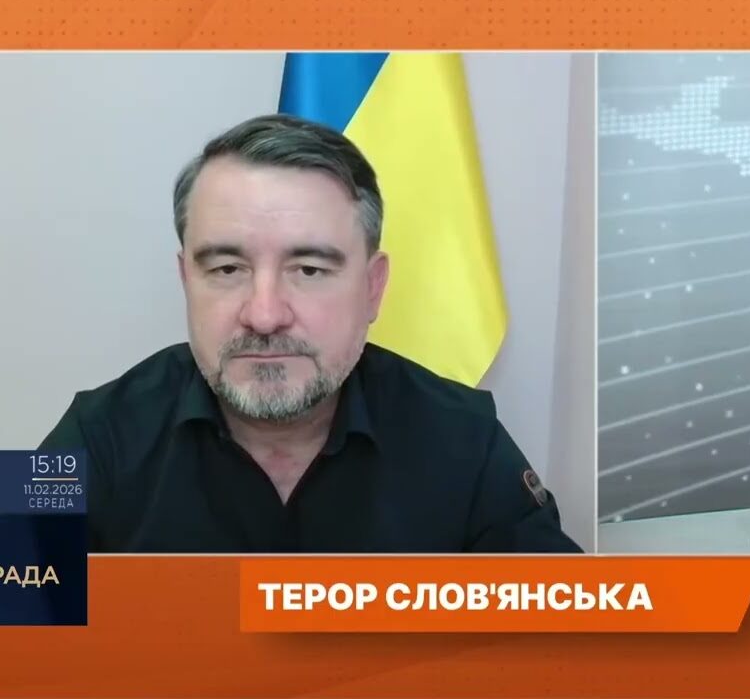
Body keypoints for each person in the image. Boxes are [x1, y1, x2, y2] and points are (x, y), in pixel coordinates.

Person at [38, 114, 582, 553]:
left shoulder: (465, 437)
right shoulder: (91, 433)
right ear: (187, 280)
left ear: (373, 288)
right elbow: (16, 613)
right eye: (226, 268)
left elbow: (564, 630)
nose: (264, 315)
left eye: (310, 270)